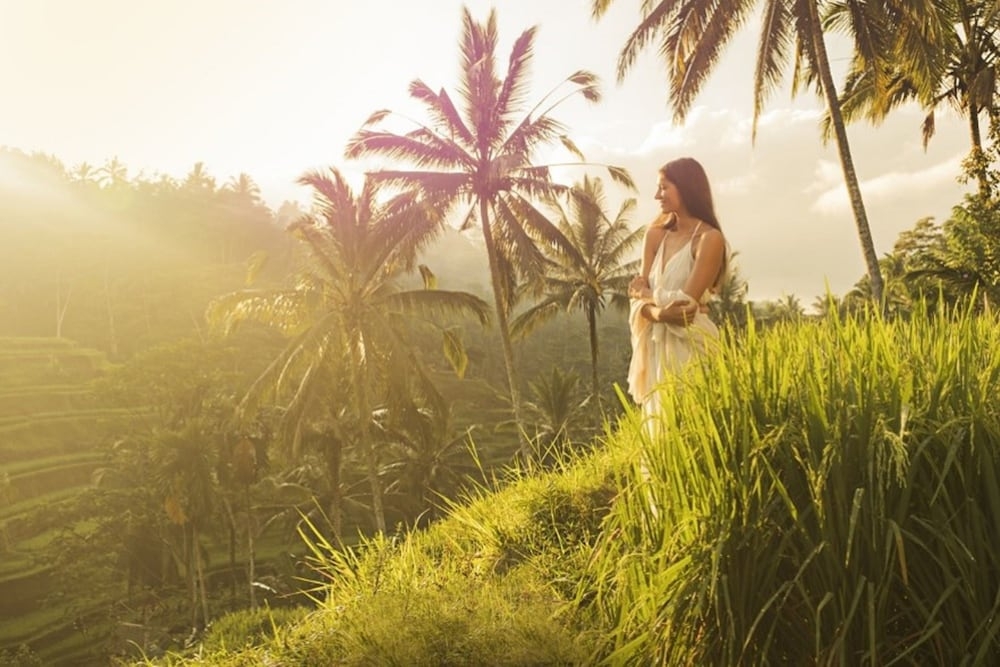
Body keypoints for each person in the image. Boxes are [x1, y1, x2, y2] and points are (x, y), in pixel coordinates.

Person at [626, 157, 727, 422]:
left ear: (686, 187)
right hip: (656, 346)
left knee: (692, 424)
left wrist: (647, 296)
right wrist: (658, 313)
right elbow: (636, 302)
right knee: (659, 428)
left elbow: (686, 307)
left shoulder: (709, 239)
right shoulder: (655, 235)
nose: (657, 195)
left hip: (692, 346)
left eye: (664, 187)